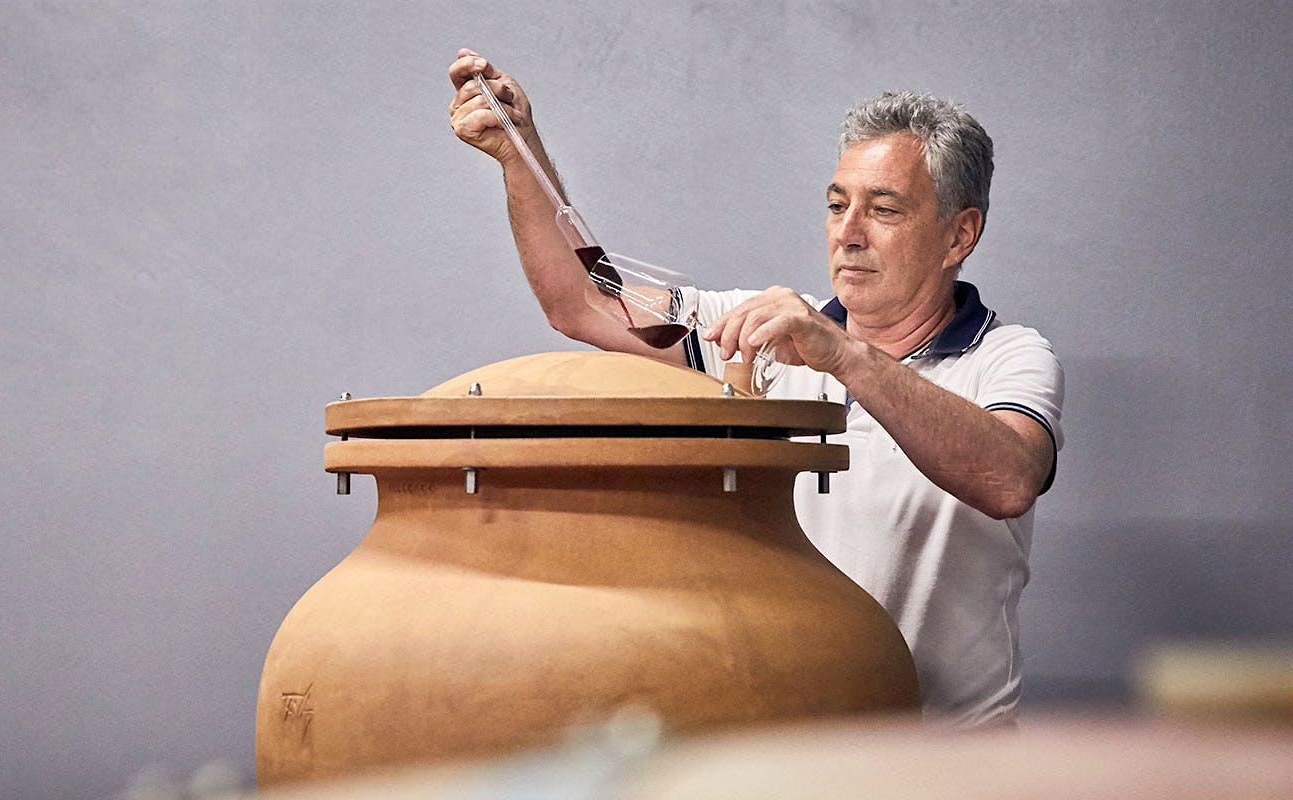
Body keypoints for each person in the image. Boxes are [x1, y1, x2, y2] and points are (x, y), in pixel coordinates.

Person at [448, 49, 1065, 727]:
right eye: (837, 206)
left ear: (960, 235)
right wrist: (520, 153)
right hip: (798, 759)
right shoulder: (759, 329)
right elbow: (584, 300)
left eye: (883, 210)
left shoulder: (1008, 357)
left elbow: (1007, 478)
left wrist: (845, 356)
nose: (848, 234)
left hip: (947, 774)